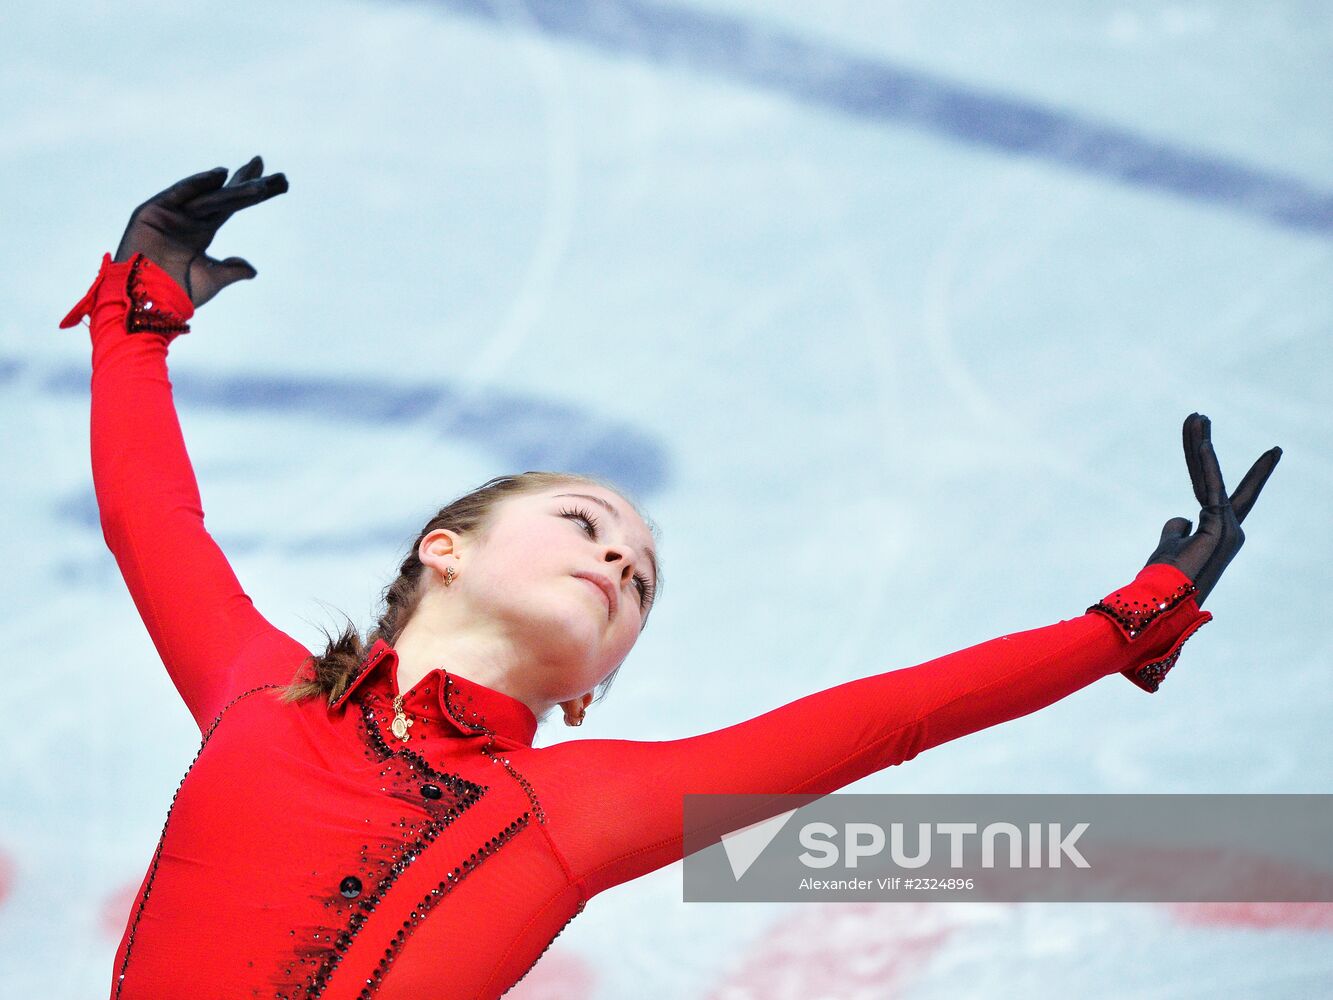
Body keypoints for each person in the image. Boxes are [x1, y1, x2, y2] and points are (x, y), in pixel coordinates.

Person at [58, 158, 1281, 1000]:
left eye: (637, 579)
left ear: (592, 689)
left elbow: (886, 720)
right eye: (588, 525)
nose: (613, 558)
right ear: (445, 548)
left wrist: (1129, 619)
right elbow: (149, 517)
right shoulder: (256, 686)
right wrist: (141, 311)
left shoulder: (576, 807)